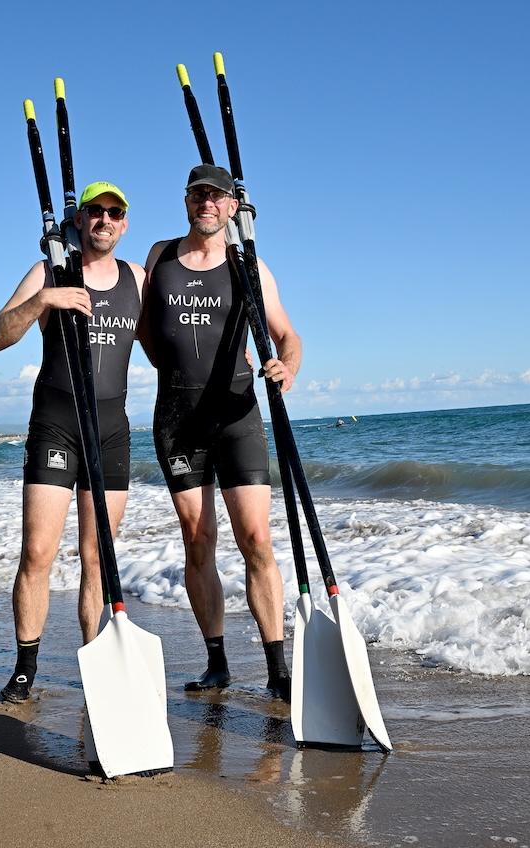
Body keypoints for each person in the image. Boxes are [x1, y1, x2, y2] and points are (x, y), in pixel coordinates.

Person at [138, 164, 302, 701]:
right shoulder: (159, 256)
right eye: (197, 195)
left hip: (236, 415)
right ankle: (217, 663)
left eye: (216, 196)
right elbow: (143, 329)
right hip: (177, 418)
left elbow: (287, 335)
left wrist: (285, 368)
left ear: (233, 206)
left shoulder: (248, 264)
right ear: (186, 201)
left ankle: (278, 668)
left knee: (256, 539)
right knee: (198, 539)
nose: (206, 203)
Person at [0, 181, 144, 703]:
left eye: (114, 213)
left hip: (111, 430)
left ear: (124, 223)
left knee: (97, 559)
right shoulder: (50, 271)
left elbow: (173, 340)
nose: (104, 219)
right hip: (56, 424)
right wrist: (44, 300)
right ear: (80, 220)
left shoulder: (137, 279)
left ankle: (95, 662)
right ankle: (25, 667)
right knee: (37, 552)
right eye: (95, 211)